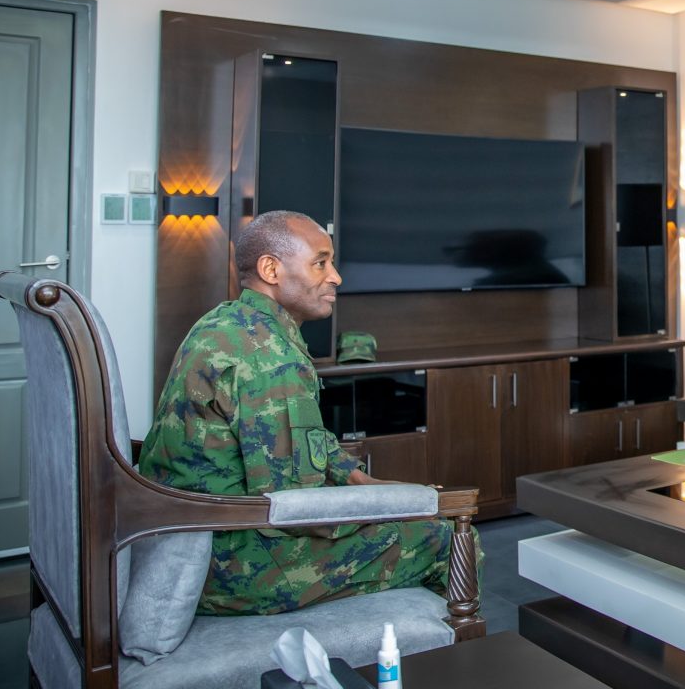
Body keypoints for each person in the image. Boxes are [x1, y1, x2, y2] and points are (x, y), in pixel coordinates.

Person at [139, 210, 473, 615]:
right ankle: (440, 651)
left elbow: (307, 445)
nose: (336, 277)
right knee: (448, 539)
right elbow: (299, 506)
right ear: (271, 269)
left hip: (191, 540)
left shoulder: (226, 323)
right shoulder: (271, 359)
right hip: (233, 564)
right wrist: (394, 507)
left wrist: (362, 481)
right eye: (320, 263)